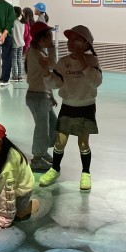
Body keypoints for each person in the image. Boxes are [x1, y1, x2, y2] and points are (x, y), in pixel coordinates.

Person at [38, 25, 102, 191]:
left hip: (86, 107)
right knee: (60, 141)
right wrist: (46, 72)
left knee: (83, 143)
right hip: (67, 106)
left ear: (86, 44)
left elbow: (96, 82)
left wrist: (83, 62)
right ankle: (55, 169)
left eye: (76, 40)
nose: (71, 43)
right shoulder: (63, 62)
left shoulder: (92, 61)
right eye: (69, 40)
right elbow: (55, 83)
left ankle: (86, 173)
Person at [25, 22, 58, 172]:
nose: (51, 39)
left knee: (53, 125)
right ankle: (37, 159)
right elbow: (52, 66)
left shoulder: (38, 53)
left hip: (42, 95)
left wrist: (51, 95)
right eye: (49, 36)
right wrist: (52, 48)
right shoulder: (36, 54)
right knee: (42, 129)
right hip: (37, 97)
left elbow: (44, 78)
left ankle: (43, 152)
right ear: (40, 39)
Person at [10, 6, 26, 82]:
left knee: (14, 60)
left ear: (14, 13)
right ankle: (20, 76)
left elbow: (11, 34)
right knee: (19, 60)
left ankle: (14, 76)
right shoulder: (22, 23)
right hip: (21, 43)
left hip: (14, 44)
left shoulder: (13, 23)